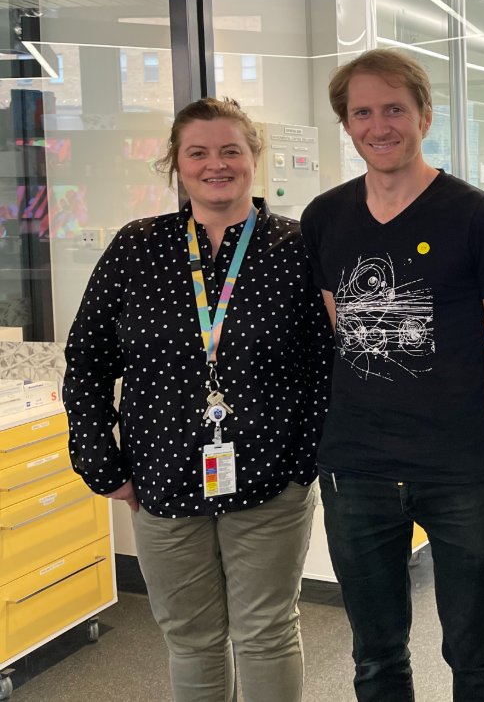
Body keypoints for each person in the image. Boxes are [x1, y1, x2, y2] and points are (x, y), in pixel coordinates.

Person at [63, 97, 332, 702]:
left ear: (254, 158)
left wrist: (303, 462)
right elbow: (86, 359)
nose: (217, 165)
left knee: (265, 632)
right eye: (199, 153)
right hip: (160, 477)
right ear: (176, 165)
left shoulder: (295, 248)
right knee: (191, 638)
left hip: (270, 478)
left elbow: (327, 364)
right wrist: (102, 464)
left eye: (231, 150)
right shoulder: (137, 248)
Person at [301, 48, 484, 702]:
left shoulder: (476, 215)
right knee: (376, 653)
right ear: (346, 125)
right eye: (362, 112)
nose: (379, 124)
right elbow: (342, 331)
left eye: (394, 108)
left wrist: (471, 417)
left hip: (461, 469)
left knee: (473, 647)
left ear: (424, 114)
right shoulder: (325, 218)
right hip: (356, 467)